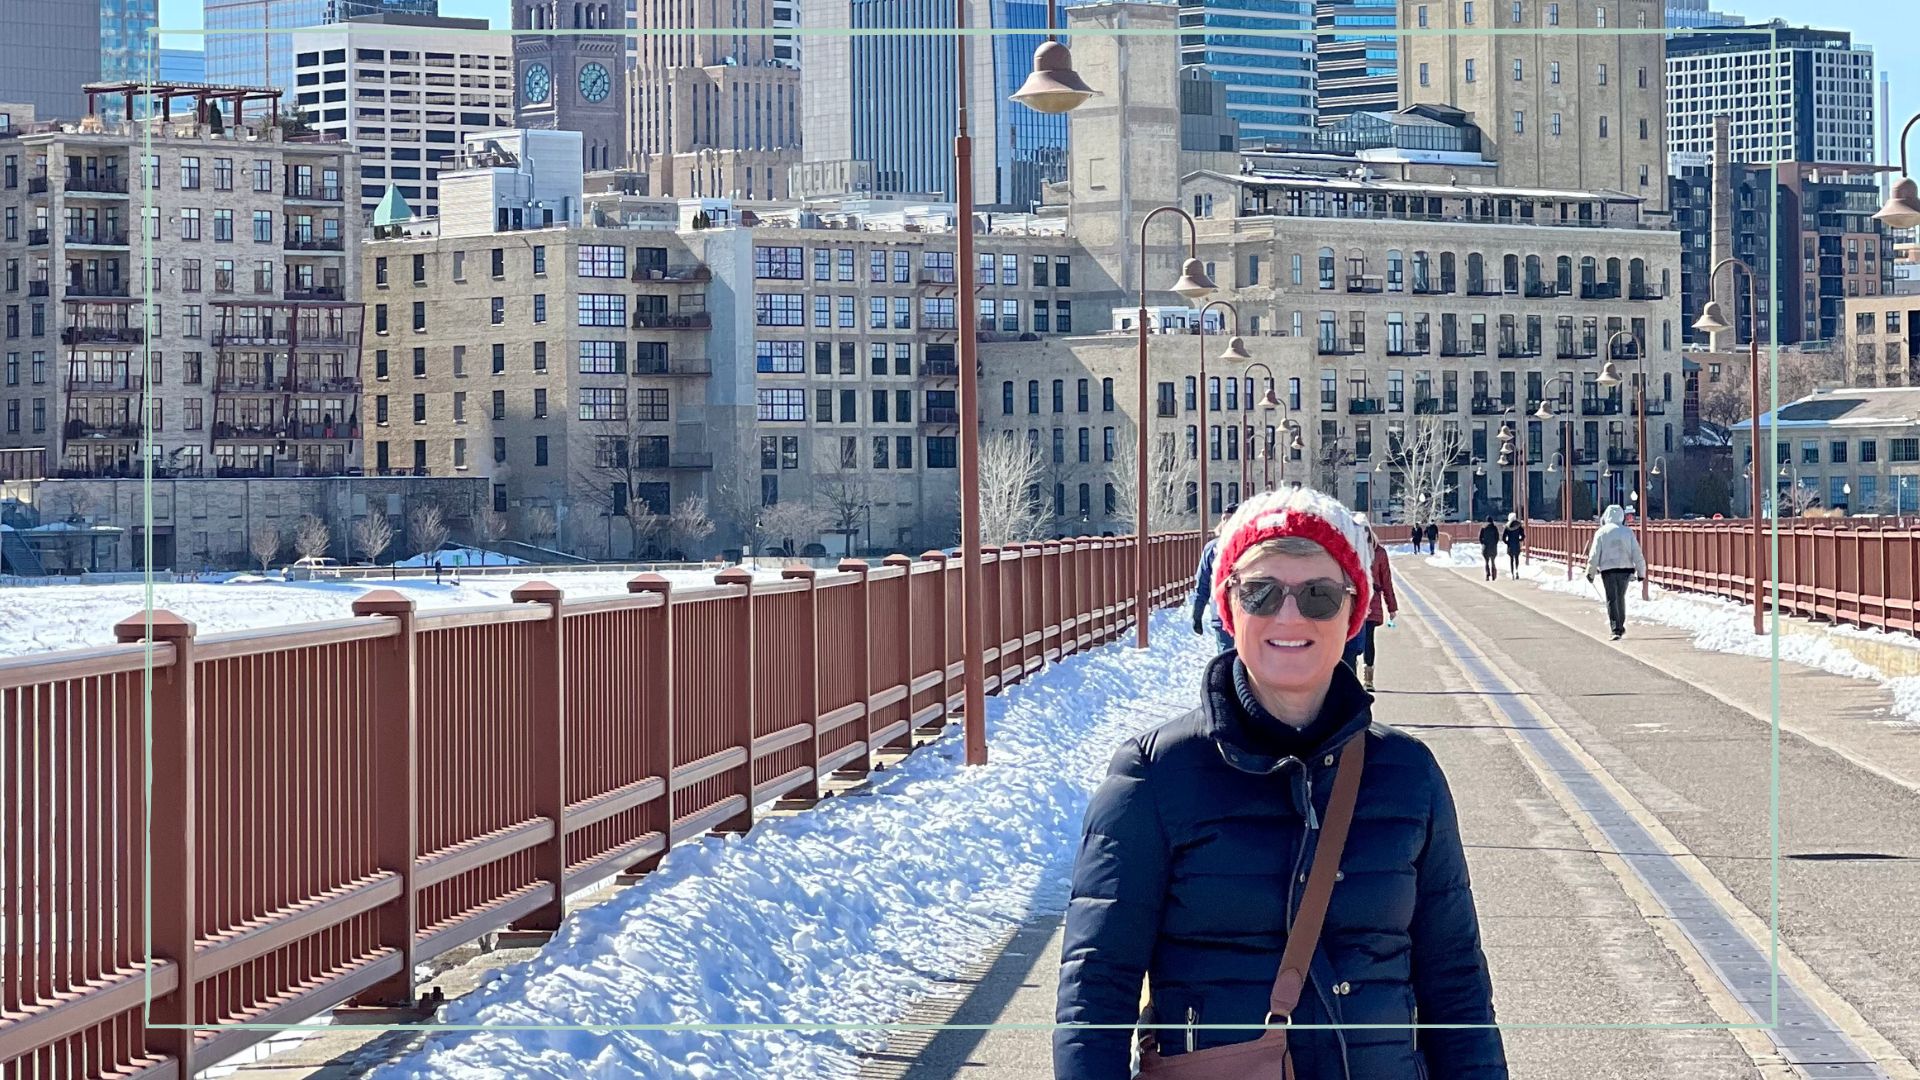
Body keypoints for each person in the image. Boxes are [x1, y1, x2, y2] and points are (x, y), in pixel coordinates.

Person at [1055, 488, 1506, 1080]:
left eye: (1318, 595)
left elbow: (1456, 985)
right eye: (1260, 593)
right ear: (1228, 607)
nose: (1288, 617)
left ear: (1352, 613)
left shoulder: (1408, 776)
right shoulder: (1154, 776)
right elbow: (1097, 992)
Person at [1342, 514, 1398, 690]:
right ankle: (1365, 680)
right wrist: (1391, 607)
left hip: (1361, 603)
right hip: (1362, 602)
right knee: (1364, 641)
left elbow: (1386, 580)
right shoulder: (1357, 551)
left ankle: (1360, 679)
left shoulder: (1363, 551)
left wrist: (1392, 606)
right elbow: (1386, 581)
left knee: (1356, 642)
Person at [1586, 504, 1648, 640]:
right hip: (1625, 569)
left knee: (1611, 599)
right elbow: (1637, 553)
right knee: (1620, 597)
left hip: (1608, 570)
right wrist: (1641, 572)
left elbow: (1594, 554)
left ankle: (1616, 628)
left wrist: (1590, 571)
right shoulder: (1627, 532)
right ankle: (1620, 624)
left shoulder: (1601, 532)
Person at [1189, 504, 1238, 654]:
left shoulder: (1251, 547)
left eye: (1231, 520)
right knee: (1227, 656)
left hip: (1244, 612)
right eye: (1224, 519)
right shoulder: (1212, 549)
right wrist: (1197, 615)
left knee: (1242, 658)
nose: (1227, 523)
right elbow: (1202, 584)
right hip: (1223, 612)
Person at [1502, 512, 1525, 577]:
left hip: (1510, 545)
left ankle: (1512, 573)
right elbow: (1523, 536)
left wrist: (1507, 542)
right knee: (1517, 558)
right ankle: (1517, 570)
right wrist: (1520, 540)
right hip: (1517, 544)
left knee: (1511, 559)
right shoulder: (1518, 526)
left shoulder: (1507, 526)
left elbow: (1503, 537)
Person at [1477, 517, 1500, 581]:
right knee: (1493, 561)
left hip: (1486, 547)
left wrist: (1483, 543)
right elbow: (1497, 537)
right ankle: (1493, 575)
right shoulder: (1494, 528)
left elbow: (1480, 537)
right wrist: (1495, 543)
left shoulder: (1483, 528)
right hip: (1493, 547)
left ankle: (1487, 575)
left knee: (1486, 562)